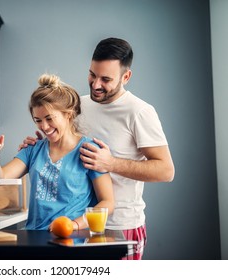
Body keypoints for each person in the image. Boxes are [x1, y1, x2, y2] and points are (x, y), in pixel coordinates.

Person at [20, 38, 175, 259]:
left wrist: (111, 163)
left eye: (106, 79)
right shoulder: (77, 105)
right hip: (79, 228)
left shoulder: (139, 112)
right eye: (92, 75)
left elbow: (166, 171)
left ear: (126, 77)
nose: (95, 85)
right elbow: (59, 138)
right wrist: (38, 144)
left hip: (120, 225)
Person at [0, 73, 114, 231]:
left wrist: (75, 225)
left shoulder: (90, 151)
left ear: (68, 115)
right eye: (38, 120)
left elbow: (107, 202)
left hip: (72, 239)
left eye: (49, 118)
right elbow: (1, 176)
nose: (43, 126)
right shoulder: (32, 149)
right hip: (34, 238)